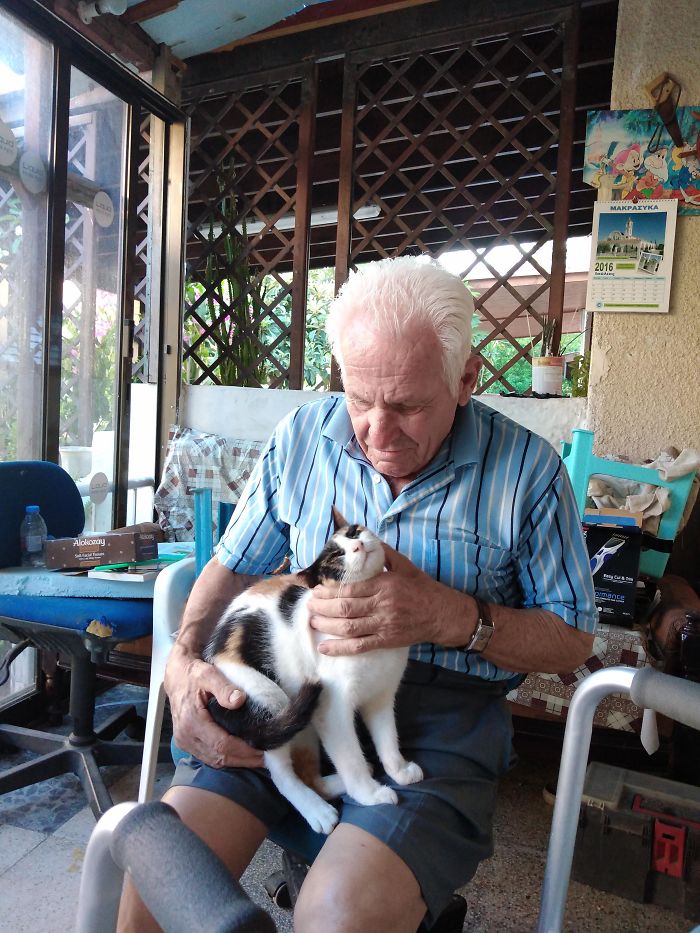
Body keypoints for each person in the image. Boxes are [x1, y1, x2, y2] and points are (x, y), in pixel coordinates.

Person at [118, 256, 597, 933]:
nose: (376, 431)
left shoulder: (529, 472)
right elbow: (231, 567)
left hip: (440, 721)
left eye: (407, 406)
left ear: (466, 379)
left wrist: (455, 617)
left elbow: (573, 638)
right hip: (294, 691)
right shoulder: (301, 439)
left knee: (336, 914)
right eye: (359, 398)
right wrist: (182, 664)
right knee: (157, 883)